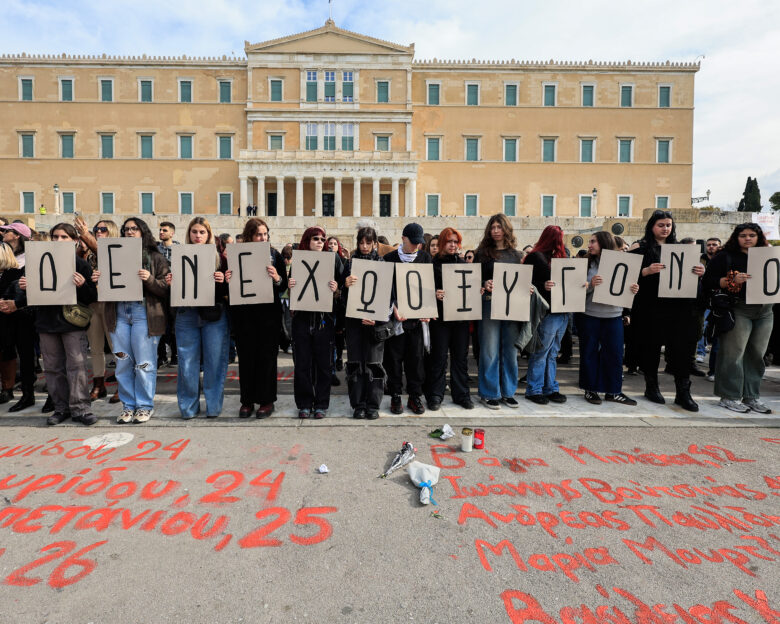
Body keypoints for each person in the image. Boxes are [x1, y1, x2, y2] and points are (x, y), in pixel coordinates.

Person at [18, 223, 98, 425]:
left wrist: (82, 286)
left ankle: (81, 408)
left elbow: (91, 297)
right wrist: (25, 287)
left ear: (74, 241)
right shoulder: (36, 261)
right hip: (46, 323)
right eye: (55, 236)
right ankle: (60, 408)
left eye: (64, 237)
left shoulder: (80, 265)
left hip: (72, 323)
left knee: (77, 366)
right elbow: (30, 295)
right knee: (53, 368)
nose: (58, 240)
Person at [92, 218, 170, 423]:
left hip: (143, 312)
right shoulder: (113, 256)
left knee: (144, 362)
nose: (129, 232)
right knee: (123, 362)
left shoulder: (155, 257)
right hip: (118, 312)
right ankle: (128, 406)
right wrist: (98, 278)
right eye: (126, 229)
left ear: (143, 232)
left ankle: (144, 405)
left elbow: (166, 288)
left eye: (134, 229)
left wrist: (150, 279)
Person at [630, 210, 704, 411]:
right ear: (652, 226)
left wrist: (699, 272)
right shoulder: (641, 248)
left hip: (679, 307)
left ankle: (683, 392)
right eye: (660, 225)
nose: (665, 228)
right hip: (651, 307)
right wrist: (645, 271)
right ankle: (651, 387)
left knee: (681, 350)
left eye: (668, 225)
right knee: (651, 348)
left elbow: (689, 276)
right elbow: (624, 276)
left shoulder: (681, 249)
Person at [702, 223, 773, 413]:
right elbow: (708, 281)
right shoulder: (725, 256)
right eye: (743, 235)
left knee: (756, 355)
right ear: (736, 237)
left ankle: (751, 396)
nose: (747, 238)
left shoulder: (769, 256)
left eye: (752, 235)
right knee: (733, 354)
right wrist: (731, 280)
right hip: (738, 308)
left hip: (766, 310)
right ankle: (729, 396)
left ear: (759, 237)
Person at [165, 217, 230, 419]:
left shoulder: (221, 258)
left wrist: (224, 281)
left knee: (215, 362)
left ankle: (213, 407)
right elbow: (174, 293)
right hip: (187, 313)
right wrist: (170, 283)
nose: (198, 235)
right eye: (194, 231)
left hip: (214, 315)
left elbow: (231, 291)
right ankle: (188, 408)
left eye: (202, 232)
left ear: (209, 234)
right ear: (189, 233)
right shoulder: (178, 256)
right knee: (186, 363)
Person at [227, 218, 287, 418]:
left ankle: (267, 400)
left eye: (265, 234)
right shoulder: (236, 255)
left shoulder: (274, 255)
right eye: (259, 234)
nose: (263, 238)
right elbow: (231, 285)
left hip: (268, 314)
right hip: (244, 315)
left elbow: (284, 285)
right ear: (250, 235)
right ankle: (247, 401)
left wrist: (277, 277)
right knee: (246, 359)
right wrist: (228, 278)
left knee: (267, 359)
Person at [288, 226, 346, 419]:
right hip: (303, 319)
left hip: (324, 320)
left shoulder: (334, 259)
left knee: (323, 365)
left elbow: (342, 290)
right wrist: (290, 285)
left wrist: (336, 288)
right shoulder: (299, 260)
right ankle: (304, 403)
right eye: (316, 238)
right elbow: (291, 291)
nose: (321, 242)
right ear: (307, 241)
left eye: (323, 238)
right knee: (302, 364)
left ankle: (321, 404)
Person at [576, 232, 639, 406]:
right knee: (589, 353)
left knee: (615, 355)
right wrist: (590, 286)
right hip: (590, 316)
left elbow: (626, 287)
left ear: (604, 243)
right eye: (589, 242)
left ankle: (613, 391)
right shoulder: (586, 264)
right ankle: (590, 390)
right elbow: (576, 292)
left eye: (593, 242)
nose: (589, 245)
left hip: (614, 316)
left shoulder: (622, 262)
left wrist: (633, 290)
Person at [475, 214, 525, 409]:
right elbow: (473, 279)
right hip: (488, 303)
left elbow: (521, 281)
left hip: (512, 306)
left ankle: (508, 392)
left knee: (510, 351)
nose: (495, 230)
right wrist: (483, 283)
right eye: (492, 227)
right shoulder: (482, 253)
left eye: (499, 227)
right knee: (489, 349)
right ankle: (489, 392)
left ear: (506, 229)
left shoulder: (517, 255)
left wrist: (526, 288)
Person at [343, 227, 391, 419]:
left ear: (374, 244)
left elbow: (388, 297)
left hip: (374, 323)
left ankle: (373, 404)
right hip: (354, 322)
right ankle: (358, 404)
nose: (364, 246)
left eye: (368, 243)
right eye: (361, 242)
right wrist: (345, 285)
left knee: (374, 364)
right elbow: (342, 299)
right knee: (355, 363)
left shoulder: (382, 264)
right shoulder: (349, 265)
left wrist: (377, 318)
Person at [383, 223, 430, 415]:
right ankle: (395, 395)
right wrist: (392, 308)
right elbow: (384, 289)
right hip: (396, 319)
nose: (417, 246)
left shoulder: (425, 258)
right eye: (413, 242)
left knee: (416, 359)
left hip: (417, 320)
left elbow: (428, 286)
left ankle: (414, 395)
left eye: (419, 243)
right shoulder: (389, 259)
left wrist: (427, 309)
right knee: (394, 359)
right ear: (403, 239)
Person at [427, 227, 474, 410]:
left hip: (460, 320)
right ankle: (435, 395)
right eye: (449, 241)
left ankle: (461, 395)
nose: (453, 245)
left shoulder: (464, 265)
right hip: (440, 319)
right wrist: (434, 294)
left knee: (460, 358)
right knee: (438, 358)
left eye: (456, 242)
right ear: (441, 244)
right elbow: (422, 292)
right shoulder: (432, 265)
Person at [74, 217, 120, 402]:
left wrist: (85, 234)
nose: (99, 232)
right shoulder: (91, 254)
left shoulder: (117, 249)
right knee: (95, 348)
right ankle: (98, 384)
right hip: (93, 303)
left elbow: (106, 255)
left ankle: (122, 386)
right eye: (96, 229)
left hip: (111, 305)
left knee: (116, 347)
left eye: (103, 229)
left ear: (113, 232)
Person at [523, 225, 569, 404]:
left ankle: (550, 387)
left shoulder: (559, 258)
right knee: (542, 352)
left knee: (552, 352)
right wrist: (542, 285)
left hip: (562, 310)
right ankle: (534, 389)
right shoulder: (536, 257)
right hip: (548, 311)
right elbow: (525, 281)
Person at [0, 222, 37, 412]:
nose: (3, 233)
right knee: (7, 350)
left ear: (16, 236)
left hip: (24, 313)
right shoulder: (5, 256)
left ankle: (28, 395)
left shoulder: (30, 259)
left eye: (7, 231)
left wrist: (16, 304)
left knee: (26, 354)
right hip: (5, 313)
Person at [0, 243, 22, 405]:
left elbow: (14, 295)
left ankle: (7, 388)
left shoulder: (14, 274)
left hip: (7, 318)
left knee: (6, 352)